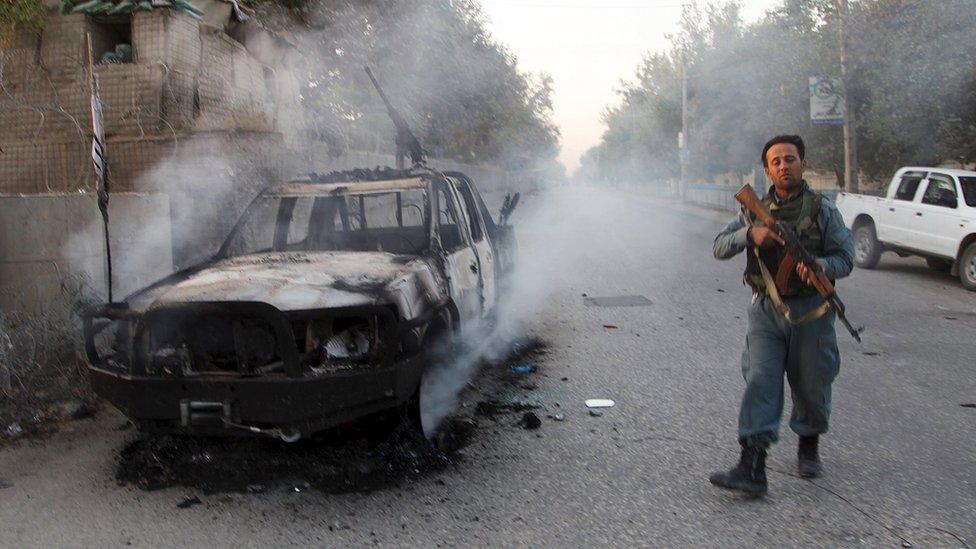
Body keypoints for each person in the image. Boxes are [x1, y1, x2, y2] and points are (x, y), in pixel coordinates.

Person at [710, 135, 855, 496]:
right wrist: (750, 234)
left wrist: (819, 266)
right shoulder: (750, 210)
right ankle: (752, 466)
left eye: (790, 159)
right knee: (761, 379)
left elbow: (845, 258)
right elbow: (718, 247)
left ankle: (809, 443)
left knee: (812, 382)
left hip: (811, 311)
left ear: (803, 164)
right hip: (766, 310)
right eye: (775, 161)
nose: (783, 166)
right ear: (767, 170)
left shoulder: (823, 210)